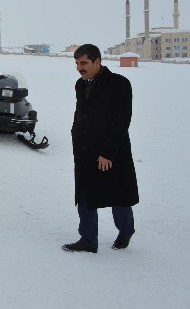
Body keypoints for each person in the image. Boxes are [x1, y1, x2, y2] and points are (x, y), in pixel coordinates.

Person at [62, 44, 139, 253]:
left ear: (97, 61)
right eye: (77, 63)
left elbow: (121, 121)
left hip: (112, 152)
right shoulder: (81, 84)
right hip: (85, 150)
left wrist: (107, 153)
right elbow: (81, 114)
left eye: (84, 63)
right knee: (85, 195)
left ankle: (126, 230)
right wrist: (74, 134)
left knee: (118, 196)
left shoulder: (119, 84)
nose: (79, 67)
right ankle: (88, 239)